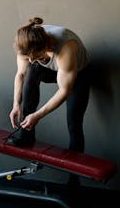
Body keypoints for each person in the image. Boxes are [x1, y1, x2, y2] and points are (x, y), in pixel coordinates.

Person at [8, 17, 91, 155]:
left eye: (36, 56)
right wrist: (16, 104)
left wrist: (38, 115)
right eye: (27, 57)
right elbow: (20, 74)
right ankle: (26, 134)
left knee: (74, 122)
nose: (30, 60)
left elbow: (64, 90)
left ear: (46, 47)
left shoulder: (66, 48)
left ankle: (73, 175)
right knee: (32, 69)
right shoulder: (26, 44)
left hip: (79, 74)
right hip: (52, 70)